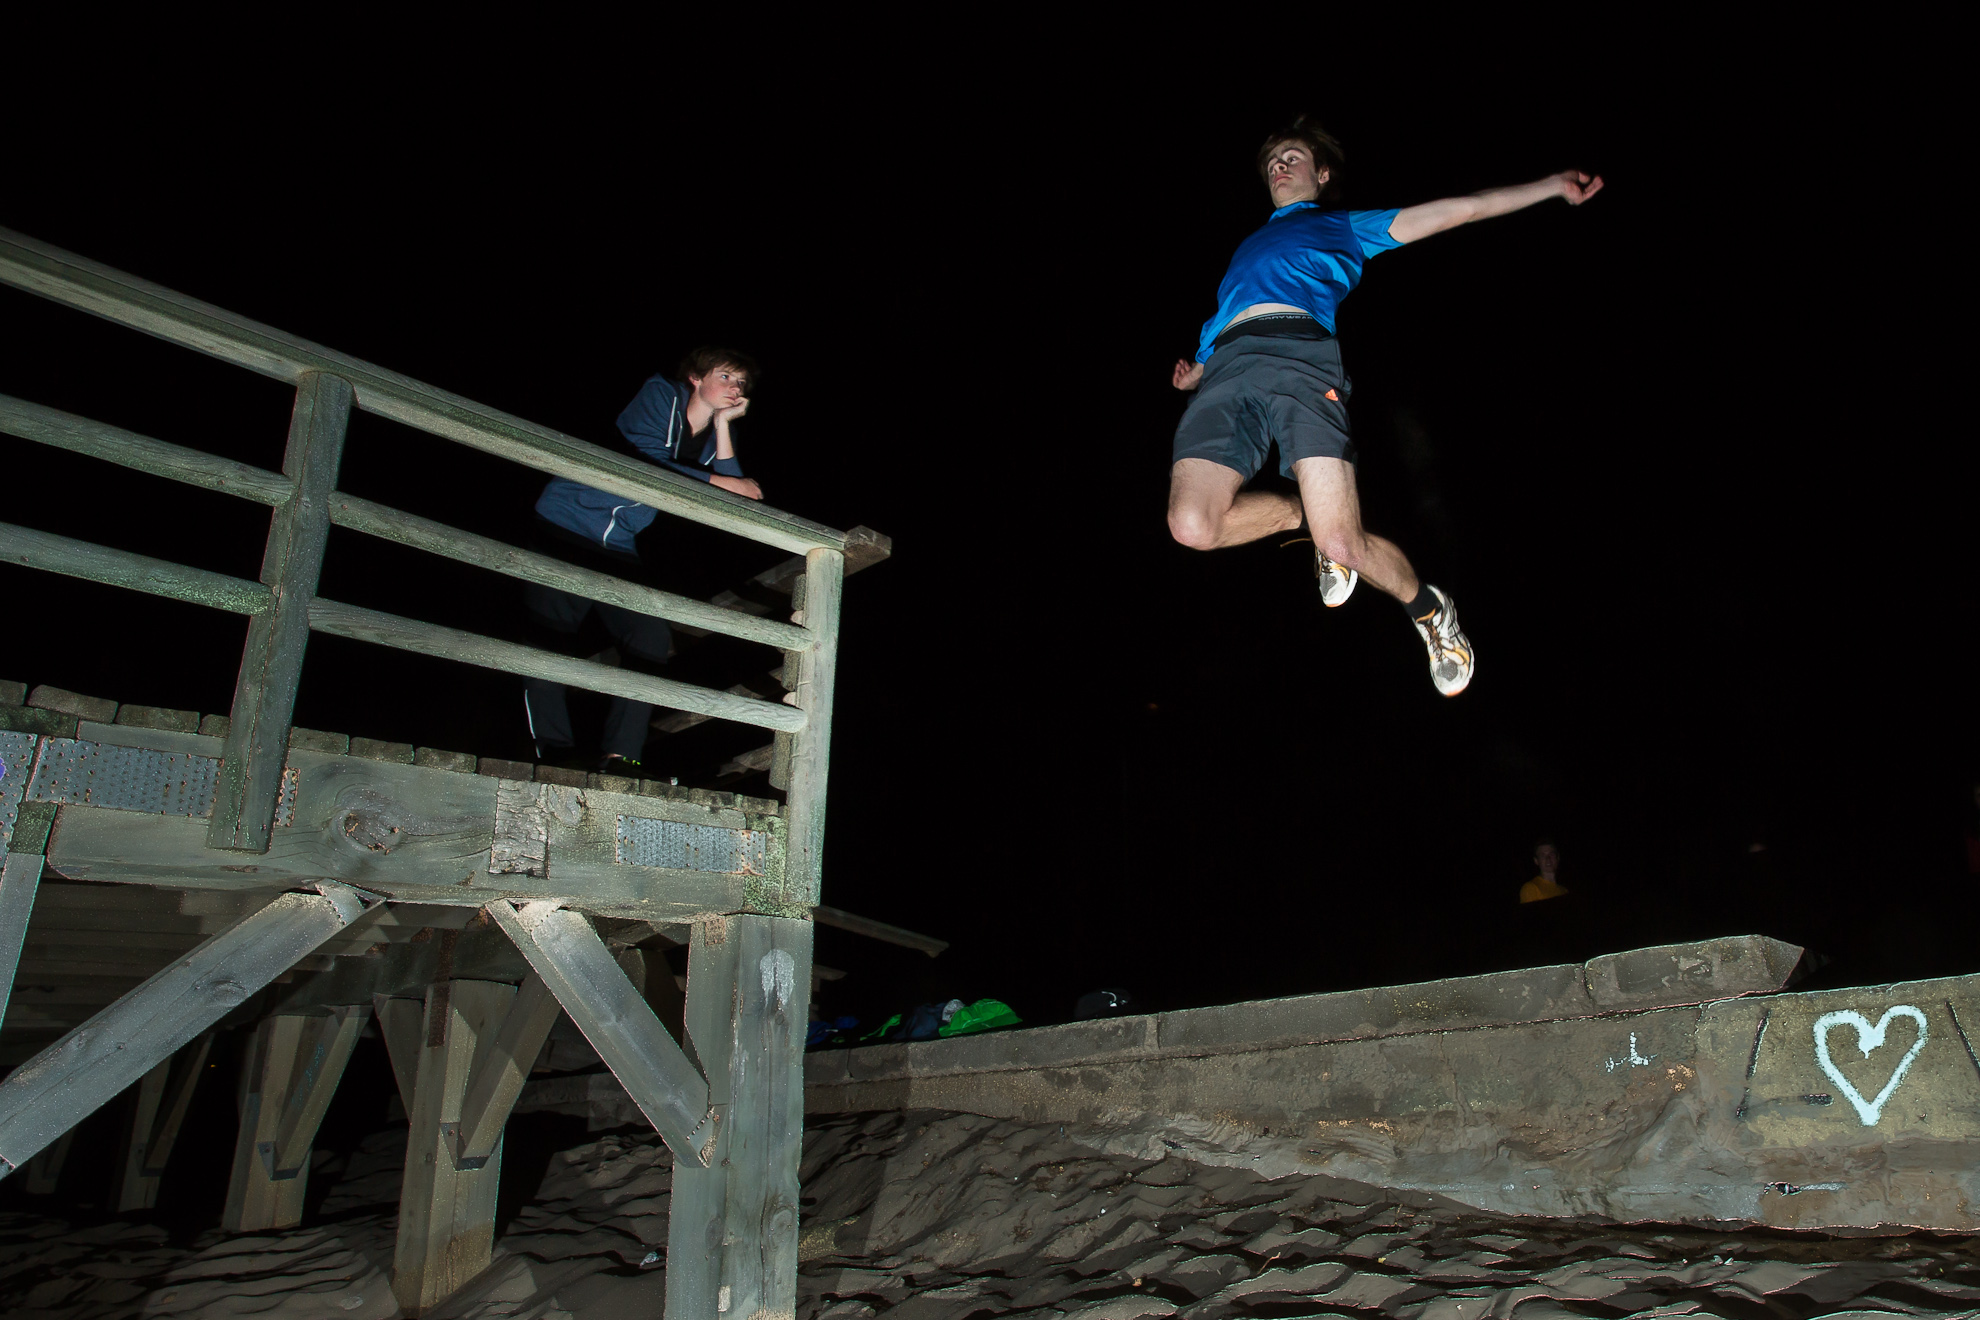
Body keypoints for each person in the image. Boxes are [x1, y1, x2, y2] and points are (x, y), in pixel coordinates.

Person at [1167, 117, 1603, 696]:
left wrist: (1550, 185)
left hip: (1299, 358)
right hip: (1225, 370)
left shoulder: (1342, 226)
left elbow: (1460, 210)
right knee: (1191, 525)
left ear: (1322, 175)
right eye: (1273, 162)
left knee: (1344, 544)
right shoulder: (1247, 245)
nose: (1279, 166)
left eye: (1293, 157)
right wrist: (1196, 372)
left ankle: (1429, 609)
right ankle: (1304, 516)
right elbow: (1227, 314)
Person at [523, 348, 764, 772]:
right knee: (551, 642)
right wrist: (723, 483)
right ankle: (555, 753)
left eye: (741, 382)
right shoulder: (660, 394)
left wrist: (724, 426)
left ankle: (622, 756)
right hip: (565, 524)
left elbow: (734, 494)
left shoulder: (712, 437)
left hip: (617, 543)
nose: (735, 387)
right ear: (695, 378)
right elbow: (645, 457)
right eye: (726, 376)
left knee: (650, 636)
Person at [1520, 838, 1569, 904]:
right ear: (1536, 861)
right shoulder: (1530, 888)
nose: (1548, 859)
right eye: (1542, 855)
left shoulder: (1564, 891)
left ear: (1557, 858)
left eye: (1551, 854)